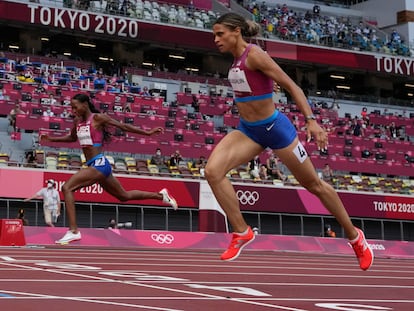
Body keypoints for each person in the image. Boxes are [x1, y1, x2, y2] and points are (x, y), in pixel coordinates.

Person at [205, 13, 373, 270]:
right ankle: (241, 232)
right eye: (214, 34)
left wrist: (310, 120)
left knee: (314, 185)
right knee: (212, 171)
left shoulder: (255, 55)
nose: (215, 39)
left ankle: (355, 237)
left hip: (275, 129)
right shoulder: (236, 60)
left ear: (236, 31)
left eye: (220, 34)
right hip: (248, 131)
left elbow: (292, 86)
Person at [39, 93, 178, 244]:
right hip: (94, 166)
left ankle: (73, 231)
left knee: (67, 188)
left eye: (75, 107)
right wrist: (51, 139)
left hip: (100, 164)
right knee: (124, 196)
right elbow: (72, 138)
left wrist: (148, 133)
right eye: (71, 107)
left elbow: (123, 126)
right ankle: (161, 196)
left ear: (85, 104)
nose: (73, 110)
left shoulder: (98, 118)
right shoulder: (78, 121)